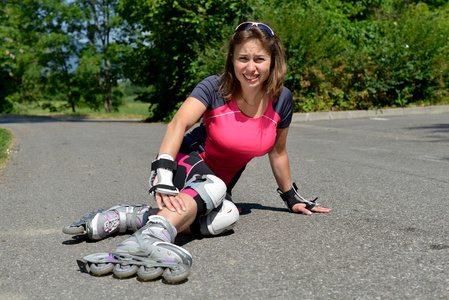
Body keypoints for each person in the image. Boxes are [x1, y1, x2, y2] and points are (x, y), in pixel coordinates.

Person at [69, 22, 331, 281]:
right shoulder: (215, 87)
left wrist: (291, 198)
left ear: (273, 60)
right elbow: (179, 123)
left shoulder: (282, 99)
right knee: (214, 187)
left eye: (259, 59)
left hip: (216, 185)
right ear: (232, 59)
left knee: (227, 216)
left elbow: (278, 152)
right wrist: (164, 174)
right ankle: (148, 239)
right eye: (243, 58)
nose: (251, 67)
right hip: (185, 162)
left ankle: (131, 217)